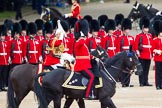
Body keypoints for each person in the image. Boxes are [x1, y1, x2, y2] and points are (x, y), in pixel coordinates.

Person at [74, 19, 95, 99]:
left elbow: (86, 55)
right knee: (92, 77)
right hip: (81, 66)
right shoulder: (78, 42)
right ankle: (87, 94)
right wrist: (82, 35)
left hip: (85, 64)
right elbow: (81, 43)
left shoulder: (82, 42)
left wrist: (93, 57)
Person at [134, 16, 153, 87]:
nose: (147, 29)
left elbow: (151, 45)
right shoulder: (139, 36)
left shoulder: (150, 35)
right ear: (142, 28)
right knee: (142, 69)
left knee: (147, 69)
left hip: (148, 55)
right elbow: (136, 45)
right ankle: (141, 82)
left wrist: (152, 54)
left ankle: (146, 81)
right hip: (142, 54)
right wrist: (137, 52)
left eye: (147, 28)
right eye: (145, 28)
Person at [117, 18, 135, 87]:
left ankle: (127, 82)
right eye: (127, 29)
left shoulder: (131, 38)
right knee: (124, 69)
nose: (128, 31)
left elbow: (133, 46)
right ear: (124, 29)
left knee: (130, 68)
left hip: (130, 54)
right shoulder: (120, 38)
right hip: (123, 54)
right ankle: (123, 82)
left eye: (128, 29)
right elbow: (119, 47)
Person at [152, 20, 162, 90]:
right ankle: (158, 84)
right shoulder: (155, 40)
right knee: (157, 72)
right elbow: (152, 48)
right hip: (157, 58)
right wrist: (156, 51)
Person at [0, 25, 10, 91]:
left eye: (3, 36)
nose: (2, 37)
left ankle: (3, 86)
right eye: (1, 36)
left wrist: (8, 58)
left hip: (5, 61)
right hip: (0, 61)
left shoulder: (6, 43)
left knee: (4, 74)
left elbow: (8, 51)